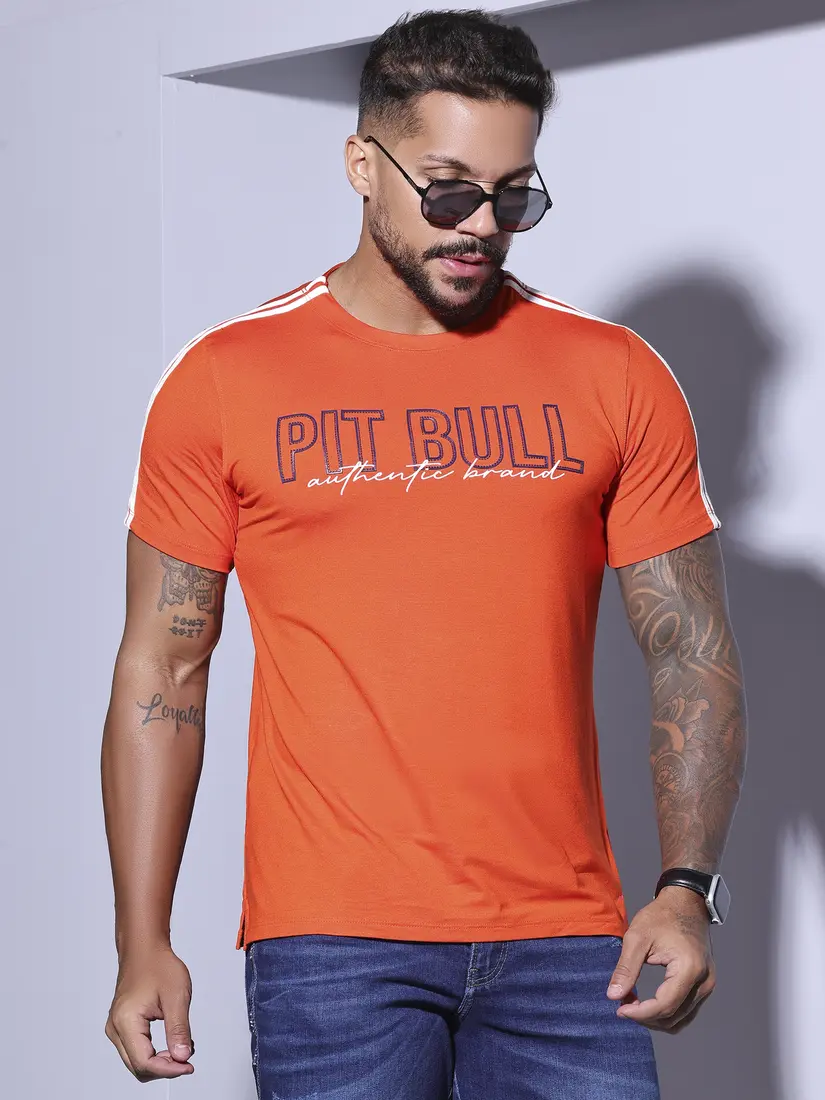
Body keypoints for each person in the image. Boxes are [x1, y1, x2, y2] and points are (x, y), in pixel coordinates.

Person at [102, 9, 747, 1098]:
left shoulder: (614, 375)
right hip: (332, 942)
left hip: (569, 941)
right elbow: (164, 670)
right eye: (448, 192)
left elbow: (690, 652)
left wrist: (687, 887)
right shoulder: (225, 380)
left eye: (514, 196)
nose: (480, 226)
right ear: (363, 164)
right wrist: (142, 938)